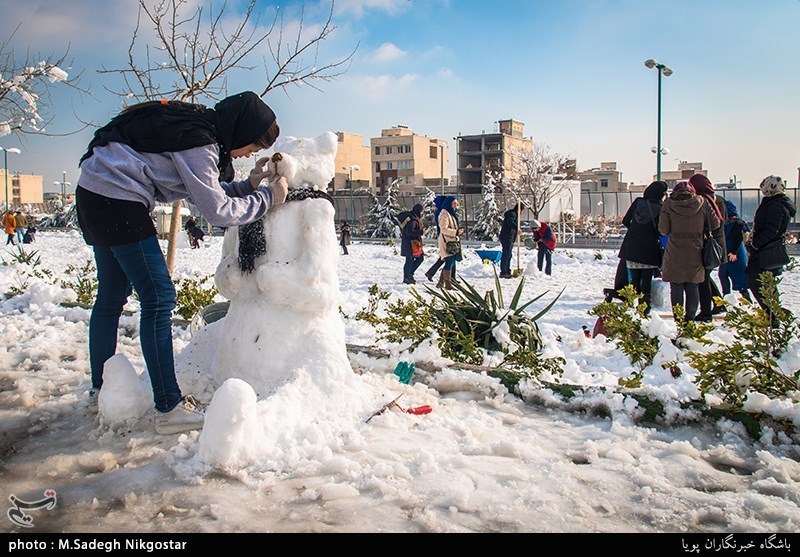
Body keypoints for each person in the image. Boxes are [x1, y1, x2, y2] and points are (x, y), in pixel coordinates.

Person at [75, 91, 288, 435]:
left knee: (112, 297)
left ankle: (103, 389)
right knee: (159, 299)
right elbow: (217, 212)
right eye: (251, 148)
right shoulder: (199, 144)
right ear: (240, 131)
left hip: (93, 192)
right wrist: (268, 198)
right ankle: (168, 407)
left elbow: (207, 191)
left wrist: (249, 185)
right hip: (119, 199)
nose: (250, 154)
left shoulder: (192, 129)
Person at [659, 181, 720, 322]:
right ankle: (690, 319)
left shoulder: (668, 204)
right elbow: (715, 223)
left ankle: (679, 319)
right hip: (696, 250)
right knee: (693, 285)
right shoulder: (702, 202)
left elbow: (664, 230)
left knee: (676, 286)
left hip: (674, 251)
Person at [745, 175, 796, 324]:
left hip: (767, 251)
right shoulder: (777, 203)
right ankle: (773, 315)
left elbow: (771, 230)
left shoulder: (775, 205)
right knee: (766, 284)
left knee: (757, 282)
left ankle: (773, 316)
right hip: (769, 249)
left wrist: (755, 244)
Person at [617, 180, 667, 314]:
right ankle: (645, 307)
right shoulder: (662, 208)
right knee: (646, 279)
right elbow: (662, 230)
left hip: (632, 245)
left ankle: (633, 303)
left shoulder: (638, 202)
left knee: (635, 278)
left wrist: (636, 230)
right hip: (650, 248)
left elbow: (625, 221)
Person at [689, 173, 727, 321]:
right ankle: (719, 303)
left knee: (701, 279)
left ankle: (706, 314)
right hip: (718, 244)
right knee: (705, 276)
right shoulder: (719, 200)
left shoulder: (702, 200)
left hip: (707, 245)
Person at [718, 199, 751, 303]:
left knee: (739, 278)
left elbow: (738, 238)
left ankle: (746, 300)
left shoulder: (735, 223)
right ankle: (726, 298)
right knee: (723, 275)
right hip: (728, 253)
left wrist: (733, 252)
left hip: (734, 254)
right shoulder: (727, 223)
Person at [435, 195, 463, 290]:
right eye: (454, 203)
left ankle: (440, 283)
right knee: (449, 261)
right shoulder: (444, 214)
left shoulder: (451, 213)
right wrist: (455, 232)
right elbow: (443, 229)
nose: (455, 205)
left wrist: (458, 230)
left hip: (452, 241)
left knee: (450, 261)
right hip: (446, 242)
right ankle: (448, 284)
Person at [398, 203, 425, 284]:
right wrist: (421, 232)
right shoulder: (412, 220)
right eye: (422, 211)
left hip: (414, 243)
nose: (423, 213)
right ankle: (406, 277)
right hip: (410, 244)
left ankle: (410, 274)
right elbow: (410, 231)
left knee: (420, 258)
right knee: (409, 260)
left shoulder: (414, 218)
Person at [498, 203, 519, 278]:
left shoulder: (515, 215)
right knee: (506, 254)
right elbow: (510, 223)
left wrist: (513, 240)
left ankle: (507, 270)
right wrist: (517, 227)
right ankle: (504, 271)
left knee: (509, 255)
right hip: (506, 237)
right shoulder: (512, 214)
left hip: (510, 238)